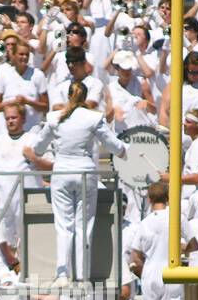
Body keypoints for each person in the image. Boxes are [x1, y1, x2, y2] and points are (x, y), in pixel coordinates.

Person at [22, 80, 126, 284]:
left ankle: (62, 274)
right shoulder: (93, 118)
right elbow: (113, 145)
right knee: (84, 225)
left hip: (61, 174)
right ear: (84, 97)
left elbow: (39, 149)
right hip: (85, 174)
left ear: (68, 96)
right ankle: (81, 275)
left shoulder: (54, 118)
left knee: (63, 226)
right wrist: (126, 150)